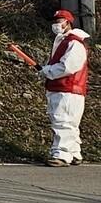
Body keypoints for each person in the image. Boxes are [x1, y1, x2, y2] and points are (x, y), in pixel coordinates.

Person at [38, 9, 90, 166]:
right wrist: (48, 71)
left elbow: (68, 66)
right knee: (70, 123)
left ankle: (62, 154)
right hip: (69, 88)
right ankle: (74, 152)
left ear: (68, 22)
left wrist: (48, 71)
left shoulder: (73, 43)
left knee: (62, 121)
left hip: (67, 88)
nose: (56, 24)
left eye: (59, 21)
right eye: (54, 21)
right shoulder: (65, 42)